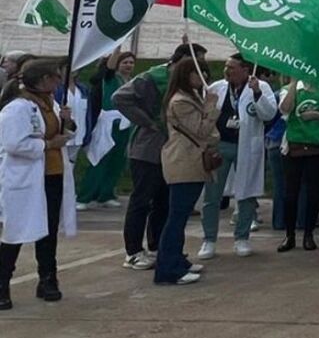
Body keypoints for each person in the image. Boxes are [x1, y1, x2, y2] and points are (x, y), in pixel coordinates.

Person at [115, 42, 206, 271]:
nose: (201, 69)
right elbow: (120, 98)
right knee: (142, 200)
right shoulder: (152, 78)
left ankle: (159, 248)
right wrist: (148, 121)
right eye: (196, 64)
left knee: (164, 202)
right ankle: (133, 251)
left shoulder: (187, 85)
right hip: (148, 149)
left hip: (171, 151)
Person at [1, 60, 78, 308]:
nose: (59, 81)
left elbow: (62, 132)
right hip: (26, 178)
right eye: (56, 77)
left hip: (53, 175)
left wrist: (68, 122)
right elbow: (14, 144)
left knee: (48, 230)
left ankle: (47, 279)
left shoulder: (50, 104)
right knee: (16, 231)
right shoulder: (17, 108)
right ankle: (2, 283)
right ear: (44, 80)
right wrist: (47, 145)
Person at [198, 55, 278, 259]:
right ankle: (209, 240)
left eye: (231, 67)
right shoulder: (217, 87)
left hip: (247, 146)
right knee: (212, 195)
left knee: (247, 194)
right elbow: (204, 113)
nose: (227, 70)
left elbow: (269, 114)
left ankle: (242, 238)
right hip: (220, 145)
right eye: (226, 66)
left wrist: (257, 93)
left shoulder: (261, 87)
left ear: (245, 70)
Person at [154, 56, 218, 286]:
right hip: (183, 161)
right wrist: (211, 106)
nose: (203, 76)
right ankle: (168, 269)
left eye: (204, 71)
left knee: (179, 216)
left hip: (192, 161)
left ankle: (177, 260)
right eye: (197, 72)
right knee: (177, 217)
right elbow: (201, 130)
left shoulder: (190, 97)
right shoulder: (180, 101)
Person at [275, 67, 319, 253]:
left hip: (317, 147)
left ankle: (309, 234)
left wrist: (317, 116)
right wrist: (294, 83)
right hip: (293, 147)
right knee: (291, 193)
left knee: (314, 192)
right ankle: (289, 235)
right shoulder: (289, 89)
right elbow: (285, 109)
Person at [77, 52, 135, 210]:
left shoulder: (132, 81)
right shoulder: (110, 78)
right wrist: (117, 48)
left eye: (131, 62)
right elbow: (109, 68)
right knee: (100, 159)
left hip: (125, 124)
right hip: (108, 124)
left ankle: (106, 194)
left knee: (117, 161)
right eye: (125, 62)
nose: (128, 65)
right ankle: (85, 196)